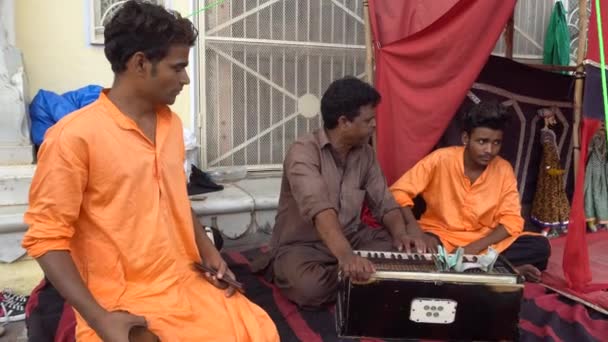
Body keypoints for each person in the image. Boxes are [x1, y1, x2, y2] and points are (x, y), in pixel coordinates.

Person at [21, 1, 278, 341]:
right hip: (120, 298)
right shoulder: (73, 138)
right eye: (178, 67)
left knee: (261, 331)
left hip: (184, 281)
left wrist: (210, 253)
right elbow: (46, 239)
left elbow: (176, 201)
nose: (186, 79)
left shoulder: (171, 126)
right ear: (140, 63)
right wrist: (100, 320)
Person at [252, 77, 430, 309]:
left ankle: (351, 274)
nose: (374, 125)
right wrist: (346, 257)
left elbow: (384, 202)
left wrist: (400, 234)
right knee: (309, 289)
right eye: (368, 120)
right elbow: (320, 210)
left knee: (408, 256)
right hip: (302, 245)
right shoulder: (303, 152)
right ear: (344, 121)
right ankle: (297, 269)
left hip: (352, 237)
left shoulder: (365, 154)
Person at [390, 101, 551, 281]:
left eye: (496, 143)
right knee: (414, 250)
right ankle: (497, 268)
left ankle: (465, 266)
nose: (489, 150)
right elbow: (398, 192)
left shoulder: (503, 169)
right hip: (440, 238)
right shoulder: (441, 159)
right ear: (466, 139)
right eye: (482, 142)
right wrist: (415, 230)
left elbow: (511, 221)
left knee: (540, 247)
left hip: (483, 242)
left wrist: (473, 248)